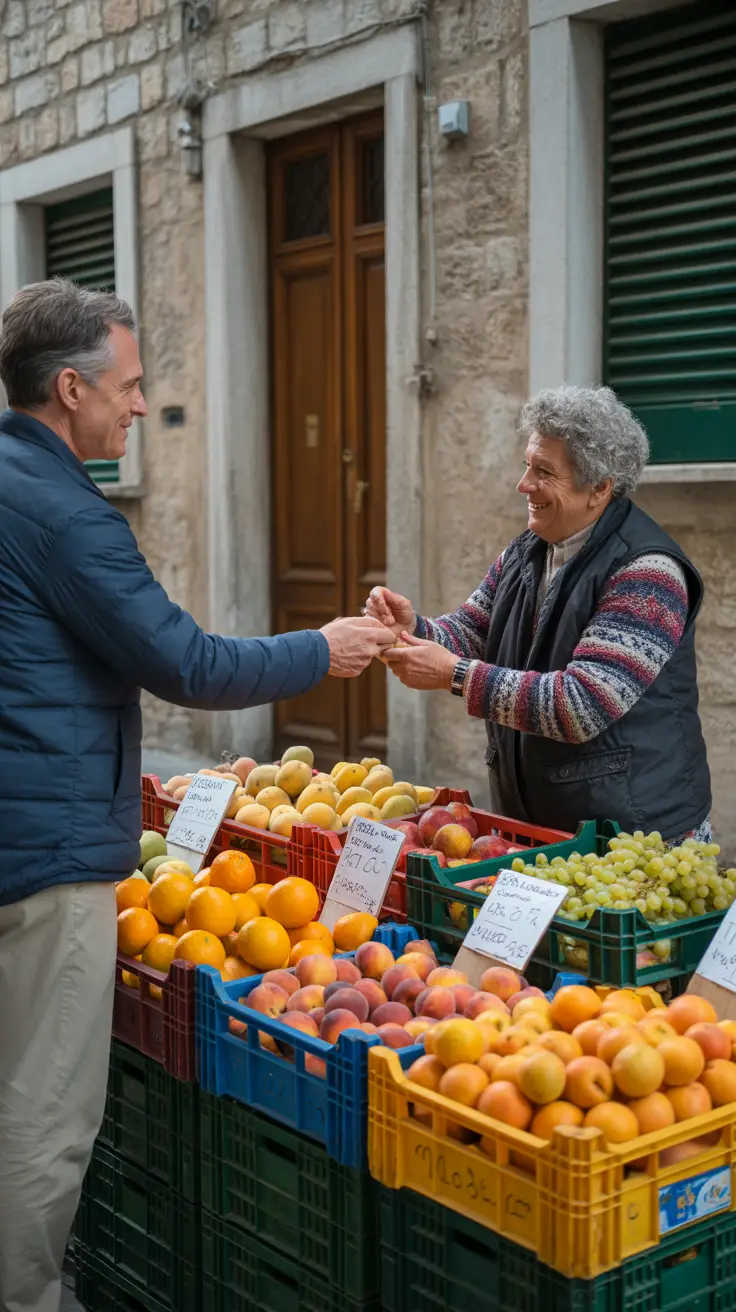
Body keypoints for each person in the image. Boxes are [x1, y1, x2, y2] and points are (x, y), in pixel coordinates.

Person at [0, 278, 395, 1312]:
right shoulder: (68, 517)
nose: (139, 406)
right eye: (127, 387)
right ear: (70, 385)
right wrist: (326, 645)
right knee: (41, 1118)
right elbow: (190, 664)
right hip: (43, 864)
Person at [369, 384, 711, 843]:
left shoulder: (648, 573)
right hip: (545, 828)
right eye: (528, 464)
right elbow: (473, 630)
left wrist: (456, 676)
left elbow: (581, 705)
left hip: (635, 837)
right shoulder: (526, 551)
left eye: (544, 471)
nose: (523, 483)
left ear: (598, 488)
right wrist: (415, 630)